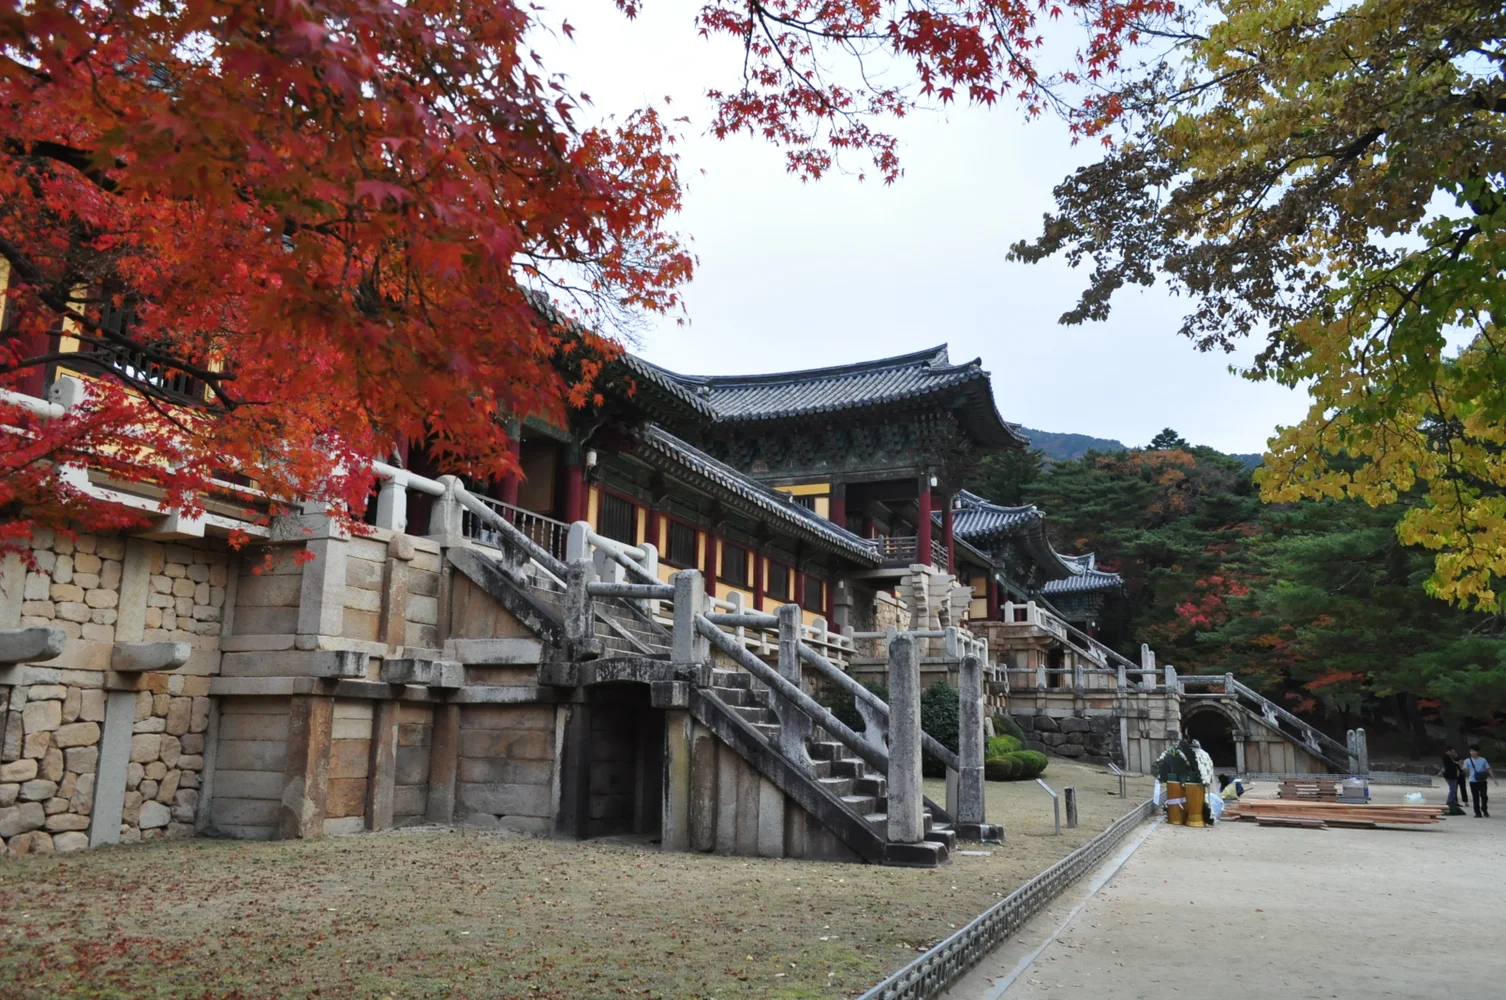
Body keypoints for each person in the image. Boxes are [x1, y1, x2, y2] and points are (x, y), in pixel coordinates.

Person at [1461, 745, 1493, 818]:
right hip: (1473, 780)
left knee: (1484, 796)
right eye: (1471, 751)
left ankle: (1484, 809)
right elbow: (1466, 771)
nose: (1472, 752)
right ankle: (1477, 812)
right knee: (1475, 797)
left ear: (1477, 752)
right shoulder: (1467, 761)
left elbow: (1488, 768)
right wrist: (1462, 768)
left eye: (1473, 751)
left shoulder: (1483, 760)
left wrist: (1493, 778)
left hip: (1482, 780)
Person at [1443, 747, 1468, 815]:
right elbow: (1451, 765)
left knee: (1453, 789)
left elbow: (1456, 763)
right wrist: (1457, 763)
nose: (1453, 753)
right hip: (1450, 776)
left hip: (1454, 776)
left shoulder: (1451, 757)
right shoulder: (1446, 757)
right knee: (1453, 789)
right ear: (1449, 751)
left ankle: (1453, 801)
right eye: (1452, 751)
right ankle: (1449, 801)